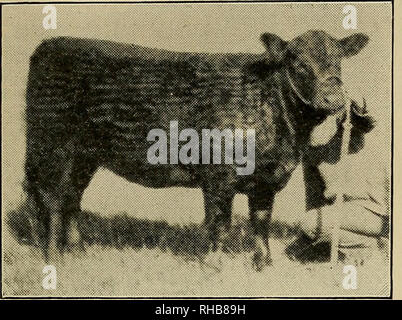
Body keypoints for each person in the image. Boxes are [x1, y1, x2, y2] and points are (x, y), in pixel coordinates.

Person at [287, 94, 390, 264]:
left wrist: (347, 112)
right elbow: (314, 140)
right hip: (350, 212)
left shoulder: (359, 135)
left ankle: (369, 246)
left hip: (374, 213)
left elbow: (362, 118)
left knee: (310, 222)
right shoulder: (319, 148)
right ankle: (361, 244)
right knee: (312, 224)